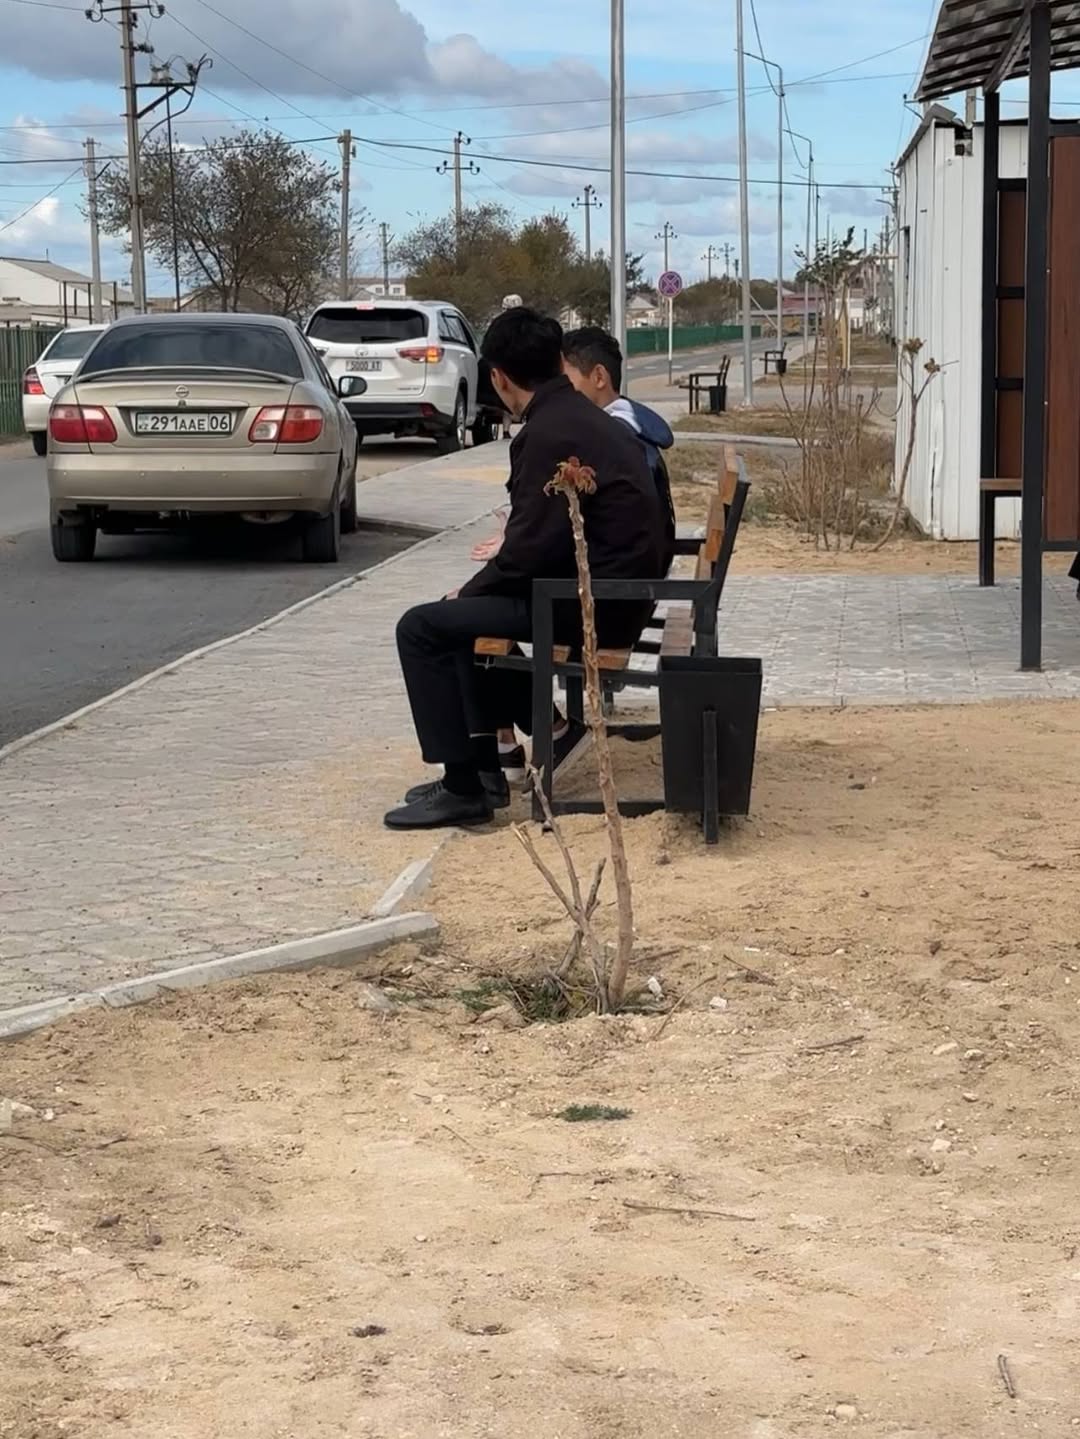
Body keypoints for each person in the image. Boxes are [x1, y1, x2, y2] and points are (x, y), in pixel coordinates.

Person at [384, 307, 665, 831]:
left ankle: (464, 786)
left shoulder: (547, 432)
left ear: (498, 378)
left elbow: (527, 553)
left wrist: (468, 591)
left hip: (594, 605)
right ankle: (485, 774)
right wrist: (476, 593)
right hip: (613, 593)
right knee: (463, 619)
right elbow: (541, 540)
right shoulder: (578, 418)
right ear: (558, 359)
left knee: (421, 628)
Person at [561, 325, 676, 570]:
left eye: (565, 382)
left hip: (620, 580)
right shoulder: (633, 424)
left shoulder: (612, 439)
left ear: (599, 377)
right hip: (638, 569)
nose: (559, 394)